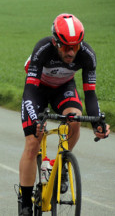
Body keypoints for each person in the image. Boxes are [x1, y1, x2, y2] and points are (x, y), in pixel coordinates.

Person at [19, 14, 110, 216]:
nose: (71, 52)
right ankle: (25, 201)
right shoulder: (43, 49)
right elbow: (29, 90)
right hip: (38, 91)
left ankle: (62, 167)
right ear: (55, 42)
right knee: (33, 142)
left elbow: (90, 94)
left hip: (63, 88)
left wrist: (97, 124)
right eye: (66, 47)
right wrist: (35, 121)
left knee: (75, 118)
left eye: (75, 46)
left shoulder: (87, 55)